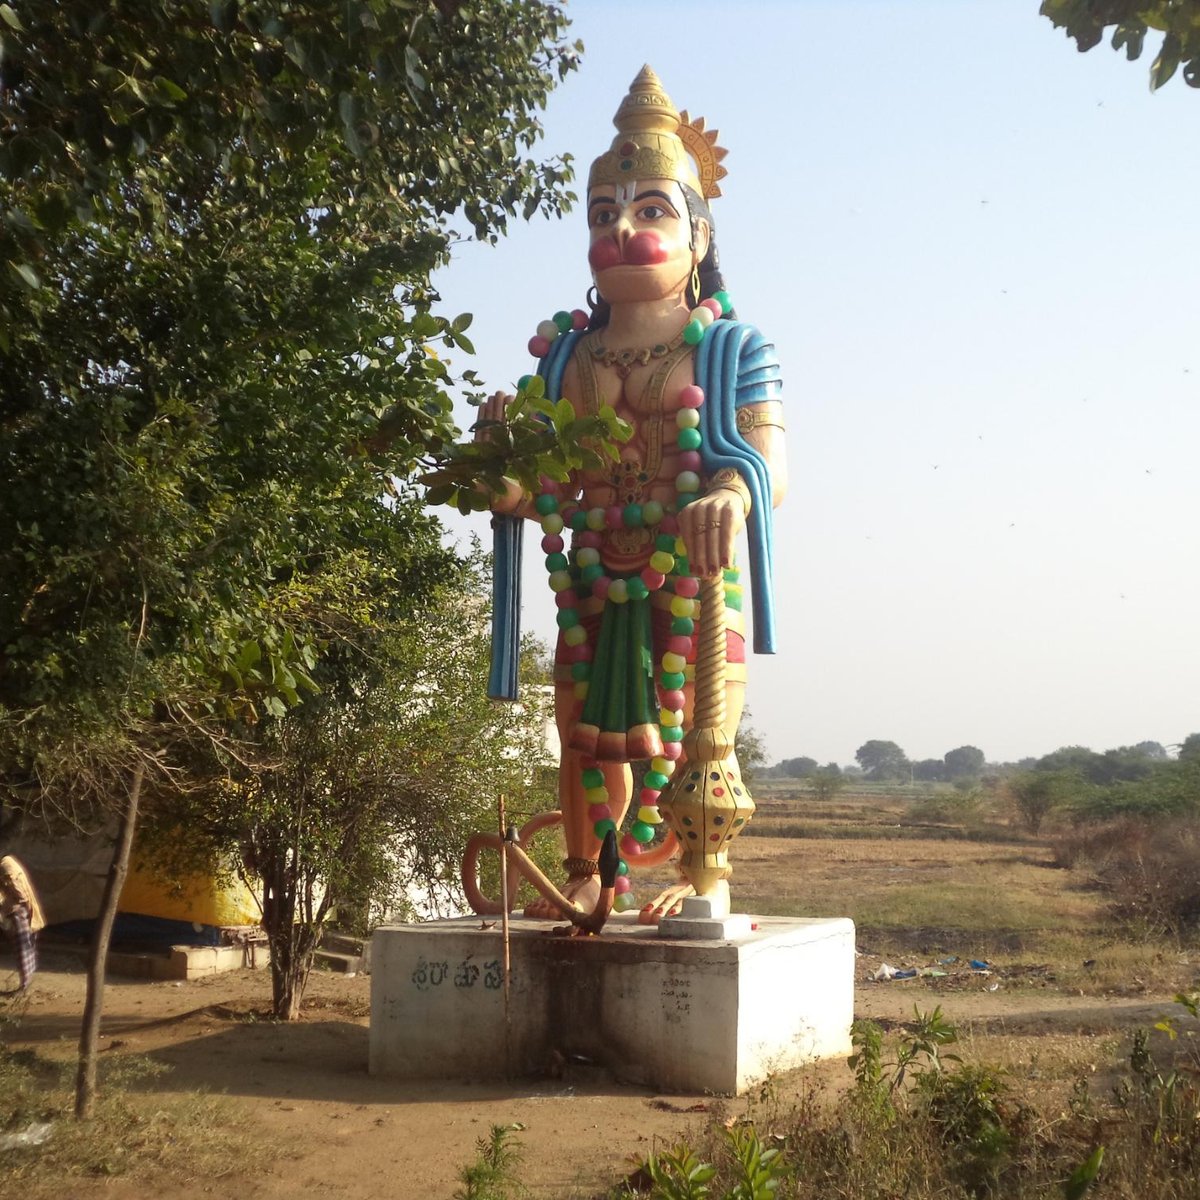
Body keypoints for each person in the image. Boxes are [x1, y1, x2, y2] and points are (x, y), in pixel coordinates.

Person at [474, 66, 787, 921]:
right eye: (605, 213)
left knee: (696, 728)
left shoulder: (732, 348)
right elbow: (547, 486)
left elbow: (768, 461)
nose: (623, 229)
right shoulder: (566, 357)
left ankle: (699, 876)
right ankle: (591, 869)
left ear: (698, 234)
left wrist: (732, 491)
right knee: (576, 726)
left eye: (652, 210)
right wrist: (503, 481)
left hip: (691, 571)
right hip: (592, 574)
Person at [1, 855, 45, 992]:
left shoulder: (6, 866)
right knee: (26, 946)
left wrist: (23, 901)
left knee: (22, 948)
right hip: (20, 909)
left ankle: (25, 985)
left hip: (17, 911)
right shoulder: (9, 862)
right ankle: (26, 982)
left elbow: (16, 886)